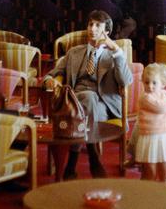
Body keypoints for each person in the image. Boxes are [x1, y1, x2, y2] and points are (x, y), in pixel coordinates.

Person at [43, 10, 133, 179]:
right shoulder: (74, 52)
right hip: (74, 101)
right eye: (90, 24)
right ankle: (93, 156)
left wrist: (117, 52)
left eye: (98, 25)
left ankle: (72, 162)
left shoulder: (113, 55)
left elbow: (125, 81)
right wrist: (50, 81)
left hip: (103, 104)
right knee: (86, 100)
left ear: (106, 32)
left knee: (90, 99)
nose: (92, 28)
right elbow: (51, 74)